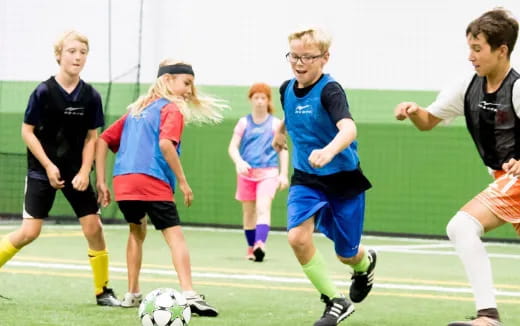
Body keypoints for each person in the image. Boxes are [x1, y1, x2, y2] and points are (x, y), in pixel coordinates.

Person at [394, 8, 519, 326]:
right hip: (504, 179)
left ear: (501, 50)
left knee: (461, 226)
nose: (470, 56)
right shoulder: (467, 86)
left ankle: (487, 317)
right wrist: (413, 110)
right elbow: (428, 122)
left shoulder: (517, 89)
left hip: (515, 179)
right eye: (469, 48)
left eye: (477, 49)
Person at [96, 59, 226, 316]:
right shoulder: (171, 109)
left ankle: (132, 294)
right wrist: (183, 181)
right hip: (152, 180)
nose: (189, 90)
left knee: (136, 231)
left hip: (124, 182)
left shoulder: (135, 110)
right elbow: (166, 144)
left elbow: (102, 140)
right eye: (186, 83)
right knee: (174, 236)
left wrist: (101, 182)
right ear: (168, 80)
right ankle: (189, 293)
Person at [0, 30, 120, 306]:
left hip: (77, 173)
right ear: (59, 55)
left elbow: (93, 137)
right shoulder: (43, 92)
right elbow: (27, 132)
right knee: (29, 233)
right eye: (72, 51)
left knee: (94, 228)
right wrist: (48, 166)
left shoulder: (91, 96)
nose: (78, 57)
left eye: (83, 52)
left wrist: (83, 171)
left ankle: (103, 291)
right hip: (42, 172)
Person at [272, 27, 376, 326]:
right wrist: (280, 131)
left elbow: (349, 129)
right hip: (307, 179)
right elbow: (292, 113)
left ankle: (364, 264)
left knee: (347, 253)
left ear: (325, 58)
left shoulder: (331, 91)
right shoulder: (285, 89)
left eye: (307, 57)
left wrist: (329, 151)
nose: (299, 63)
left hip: (343, 180)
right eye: (294, 56)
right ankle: (335, 301)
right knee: (297, 237)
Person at [228, 83, 289, 262]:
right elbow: (232, 147)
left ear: (268, 100)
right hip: (246, 174)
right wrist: (239, 161)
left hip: (268, 173)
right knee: (248, 214)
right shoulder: (244, 122)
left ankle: (260, 244)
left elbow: (283, 149)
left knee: (263, 208)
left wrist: (283, 174)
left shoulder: (276, 124)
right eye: (257, 98)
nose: (260, 101)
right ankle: (251, 248)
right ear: (251, 100)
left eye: (263, 98)